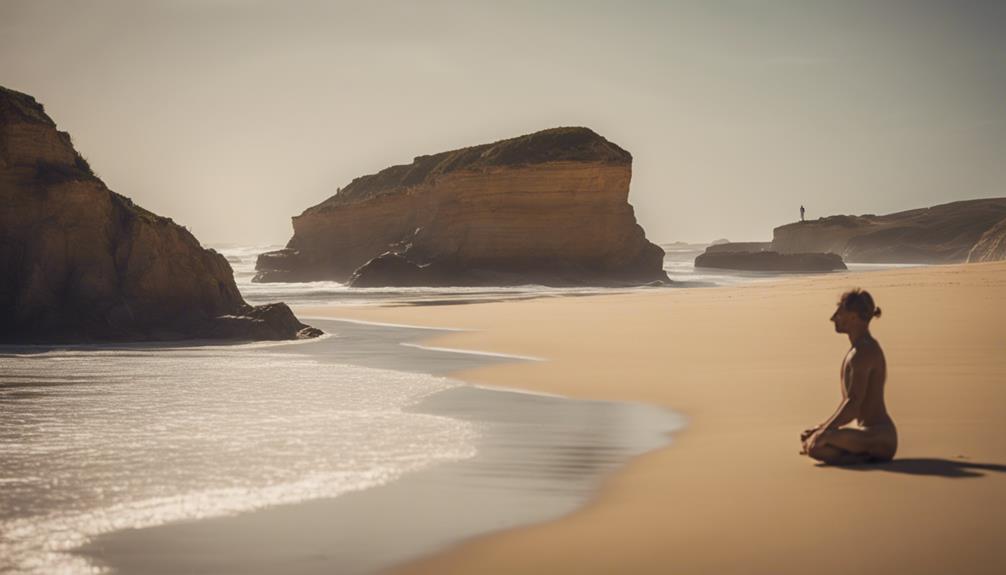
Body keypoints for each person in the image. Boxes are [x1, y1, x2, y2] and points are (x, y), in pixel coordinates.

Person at [801, 289, 896, 464]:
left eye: (839, 314)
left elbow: (853, 404)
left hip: (879, 435)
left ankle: (865, 455)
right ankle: (859, 454)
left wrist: (824, 431)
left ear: (853, 317)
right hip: (867, 432)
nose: (832, 318)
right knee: (810, 439)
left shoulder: (863, 352)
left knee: (815, 446)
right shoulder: (858, 349)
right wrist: (821, 428)